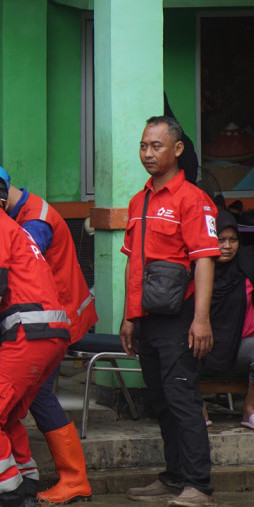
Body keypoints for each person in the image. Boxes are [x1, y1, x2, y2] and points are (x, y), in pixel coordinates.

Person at [0, 162, 97, 504]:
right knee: (7, 415)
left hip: (29, 335)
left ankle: (8, 496)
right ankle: (26, 485)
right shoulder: (15, 226)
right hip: (52, 332)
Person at [120, 116, 219, 506]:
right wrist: (129, 317)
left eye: (156, 146)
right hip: (147, 319)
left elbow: (205, 261)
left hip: (180, 318)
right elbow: (132, 265)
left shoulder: (193, 200)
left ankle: (199, 485)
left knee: (182, 400)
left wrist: (201, 318)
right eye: (144, 145)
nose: (148, 153)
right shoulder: (137, 201)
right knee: (159, 399)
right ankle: (174, 477)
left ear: (177, 150)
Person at [202, 209, 254, 429]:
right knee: (174, 349)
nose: (227, 246)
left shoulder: (248, 265)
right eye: (220, 239)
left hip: (241, 346)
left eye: (233, 240)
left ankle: (249, 411)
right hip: (204, 346)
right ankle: (198, 410)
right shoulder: (199, 269)